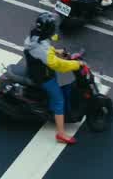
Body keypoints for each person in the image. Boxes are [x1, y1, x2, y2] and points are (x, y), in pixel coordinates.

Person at [22, 12, 83, 144]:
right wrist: (76, 64)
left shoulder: (35, 35)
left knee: (59, 88)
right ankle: (61, 134)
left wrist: (56, 51)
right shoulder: (41, 48)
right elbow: (57, 64)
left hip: (39, 68)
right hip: (43, 77)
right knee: (59, 100)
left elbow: (46, 46)